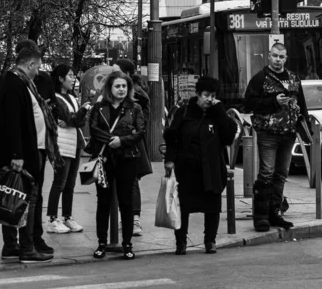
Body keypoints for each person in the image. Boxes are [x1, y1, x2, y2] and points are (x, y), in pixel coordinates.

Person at [163, 76, 238, 255]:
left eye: (213, 96)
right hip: (187, 168)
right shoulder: (185, 112)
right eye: (206, 95)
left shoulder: (217, 113)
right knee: (184, 206)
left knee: (212, 205)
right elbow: (172, 136)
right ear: (197, 94)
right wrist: (170, 159)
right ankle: (181, 242)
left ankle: (210, 241)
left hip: (211, 169)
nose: (209, 99)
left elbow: (228, 137)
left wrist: (219, 110)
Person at [0, 46, 56, 263]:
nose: (38, 72)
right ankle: (26, 248)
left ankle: (11, 246)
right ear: (30, 64)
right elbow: (12, 121)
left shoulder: (18, 81)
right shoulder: (14, 83)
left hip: (27, 151)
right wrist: (16, 153)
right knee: (24, 199)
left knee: (13, 196)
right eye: (37, 67)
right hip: (22, 155)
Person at [244, 43, 309, 232]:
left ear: (286, 58)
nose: (278, 60)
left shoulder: (293, 79)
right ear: (269, 56)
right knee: (267, 173)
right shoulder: (260, 79)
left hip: (288, 134)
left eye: (281, 57)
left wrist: (302, 127)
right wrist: (274, 101)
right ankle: (261, 216)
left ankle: (275, 212)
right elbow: (248, 103)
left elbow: (301, 105)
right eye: (275, 56)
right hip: (267, 134)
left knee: (281, 174)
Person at [86, 71, 145, 260]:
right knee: (103, 201)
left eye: (124, 86)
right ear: (110, 88)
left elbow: (141, 131)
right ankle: (102, 243)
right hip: (104, 159)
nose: (121, 89)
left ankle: (127, 243)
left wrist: (122, 140)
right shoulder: (99, 107)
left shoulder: (134, 108)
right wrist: (112, 139)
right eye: (117, 86)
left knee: (126, 202)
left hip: (127, 158)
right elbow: (93, 129)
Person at [46, 64, 91, 234]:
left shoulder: (72, 98)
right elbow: (69, 117)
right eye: (70, 76)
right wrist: (79, 114)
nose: (73, 79)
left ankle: (67, 216)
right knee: (59, 183)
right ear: (60, 79)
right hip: (62, 145)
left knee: (70, 184)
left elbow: (79, 121)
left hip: (75, 143)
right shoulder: (55, 98)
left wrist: (76, 117)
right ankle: (52, 219)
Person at [112, 59, 150, 237]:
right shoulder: (110, 94)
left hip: (131, 145)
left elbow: (142, 124)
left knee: (132, 181)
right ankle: (125, 217)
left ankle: (134, 219)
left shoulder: (138, 97)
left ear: (126, 75)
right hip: (114, 145)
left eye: (116, 71)